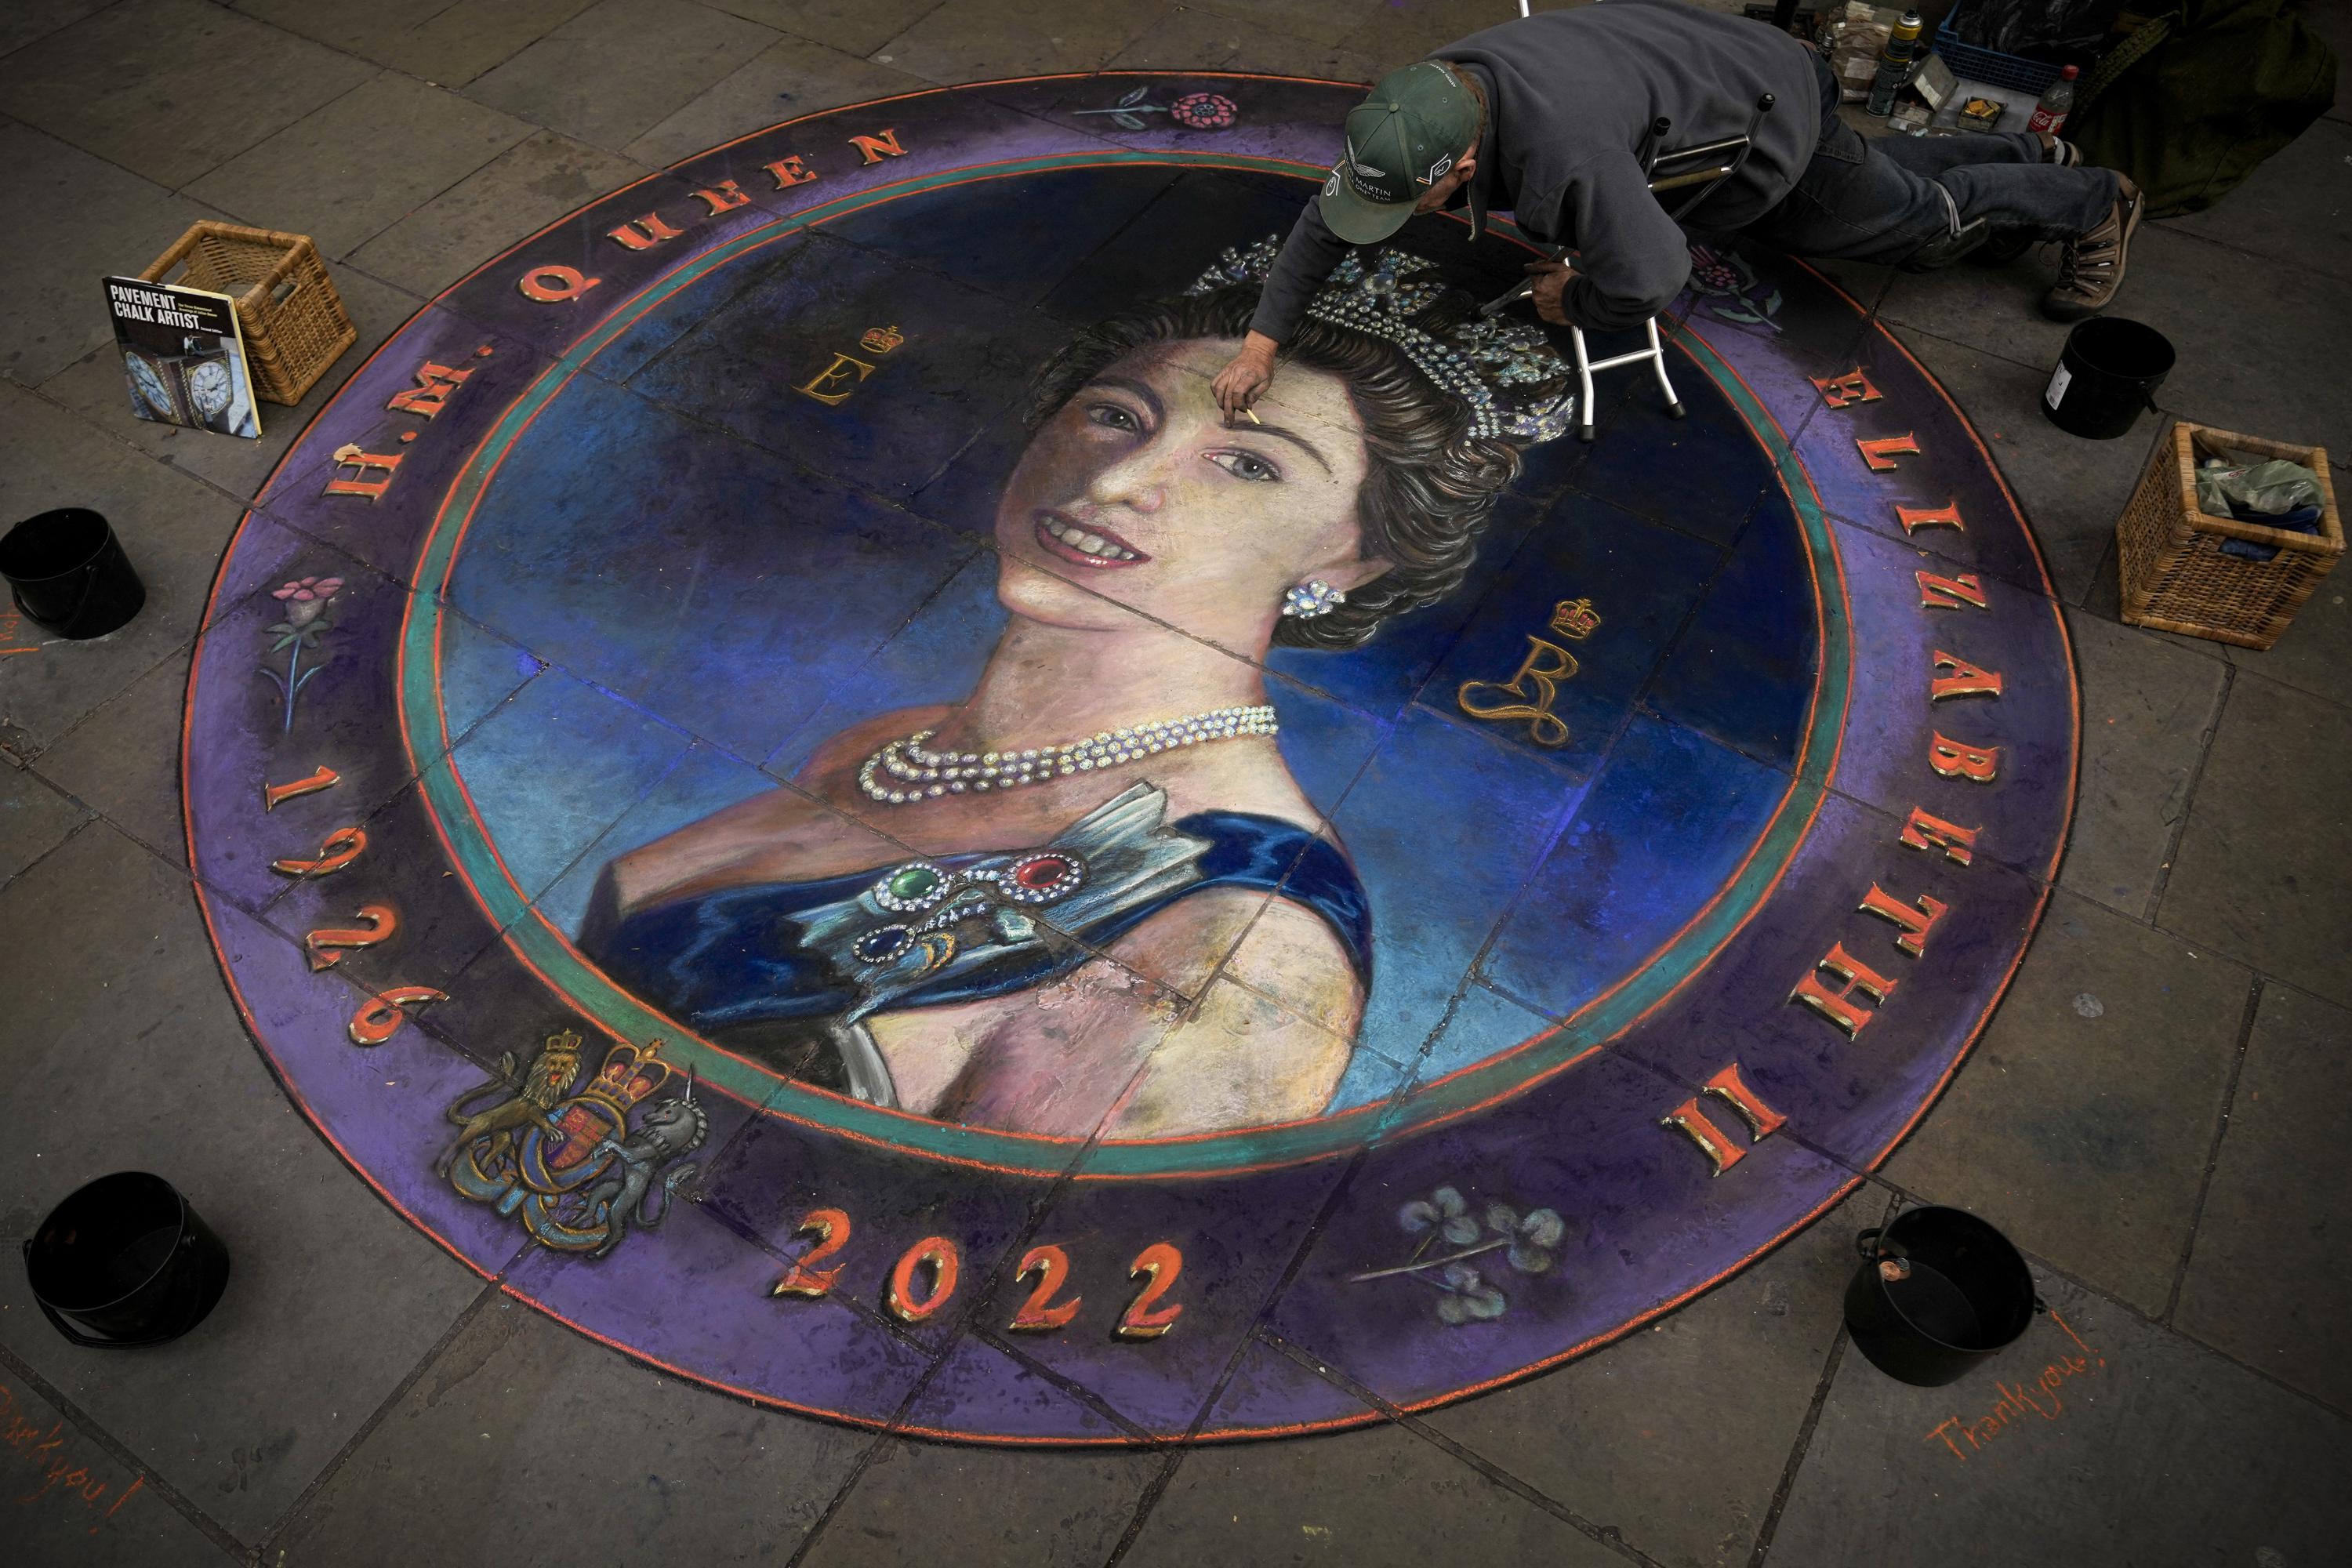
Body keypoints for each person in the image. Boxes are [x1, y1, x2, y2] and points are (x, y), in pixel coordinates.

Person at [576, 247, 1573, 1141]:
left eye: (1245, 464)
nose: (1115, 480)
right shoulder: (888, 742)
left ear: (1355, 560)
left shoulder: (1242, 951)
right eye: (1115, 415)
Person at [1214, 0, 2141, 418]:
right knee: (1878, 173)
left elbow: (1654, 272)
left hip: (1762, 118)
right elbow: (1331, 220)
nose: (1412, 214)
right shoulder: (1423, 101)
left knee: (1906, 217)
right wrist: (1263, 340)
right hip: (1703, 66)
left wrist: (1570, 301)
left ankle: (2093, 201)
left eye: (1423, 201)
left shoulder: (1564, 155)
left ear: (1462, 161)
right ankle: (2031, 156)